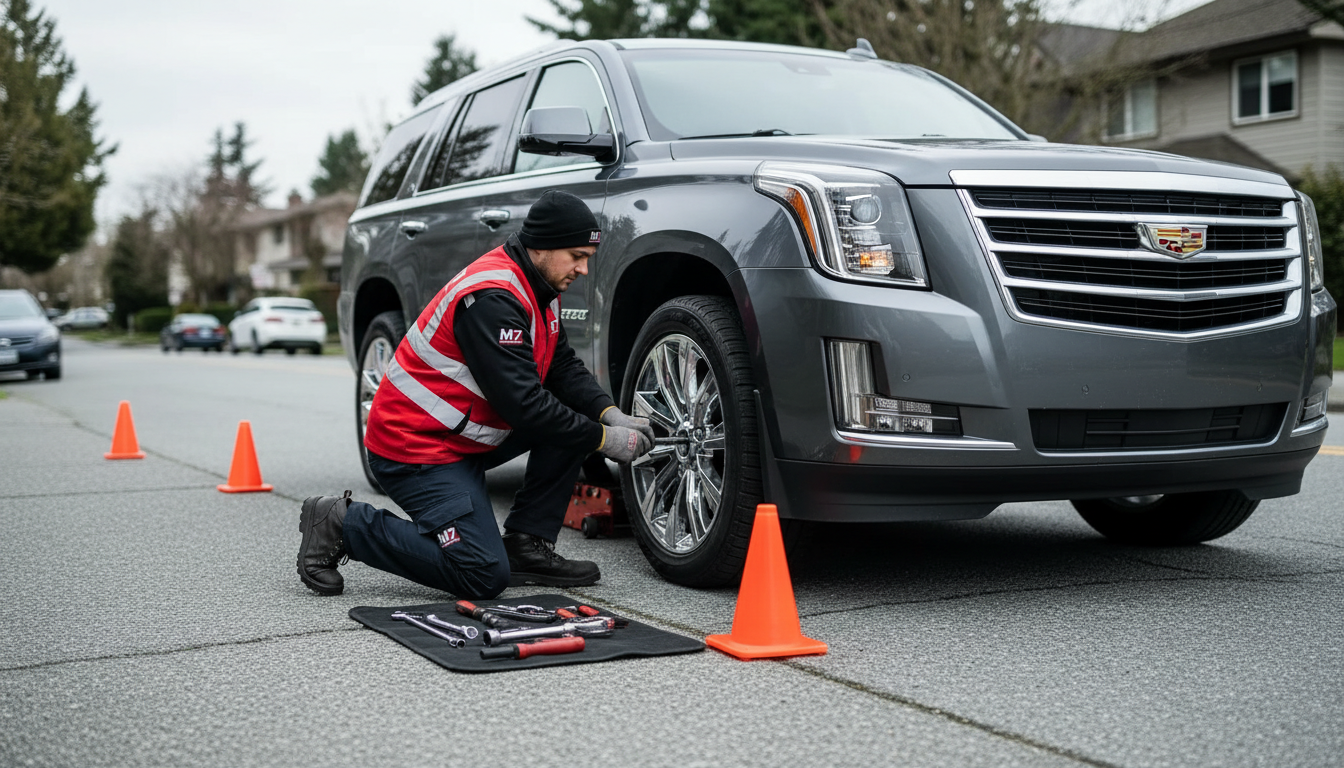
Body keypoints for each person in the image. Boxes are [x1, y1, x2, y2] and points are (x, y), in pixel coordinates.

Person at [296, 190, 654, 599]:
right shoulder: (492, 298)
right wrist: (606, 441)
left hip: (460, 436)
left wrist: (610, 414)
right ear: (542, 245)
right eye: (576, 256)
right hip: (414, 448)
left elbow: (562, 366)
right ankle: (344, 523)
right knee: (482, 574)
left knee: (576, 412)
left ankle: (527, 544)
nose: (583, 269)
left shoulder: (538, 285)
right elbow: (525, 406)